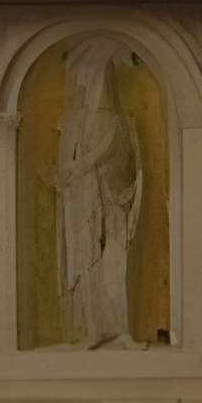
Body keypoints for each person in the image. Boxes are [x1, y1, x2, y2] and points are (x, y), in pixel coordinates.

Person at [54, 42, 143, 348]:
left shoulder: (120, 121)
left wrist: (87, 168)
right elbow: (68, 165)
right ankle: (94, 330)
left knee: (115, 266)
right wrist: (74, 172)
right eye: (92, 77)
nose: (96, 85)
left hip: (114, 198)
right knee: (89, 267)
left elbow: (122, 159)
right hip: (84, 203)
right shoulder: (74, 122)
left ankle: (121, 330)